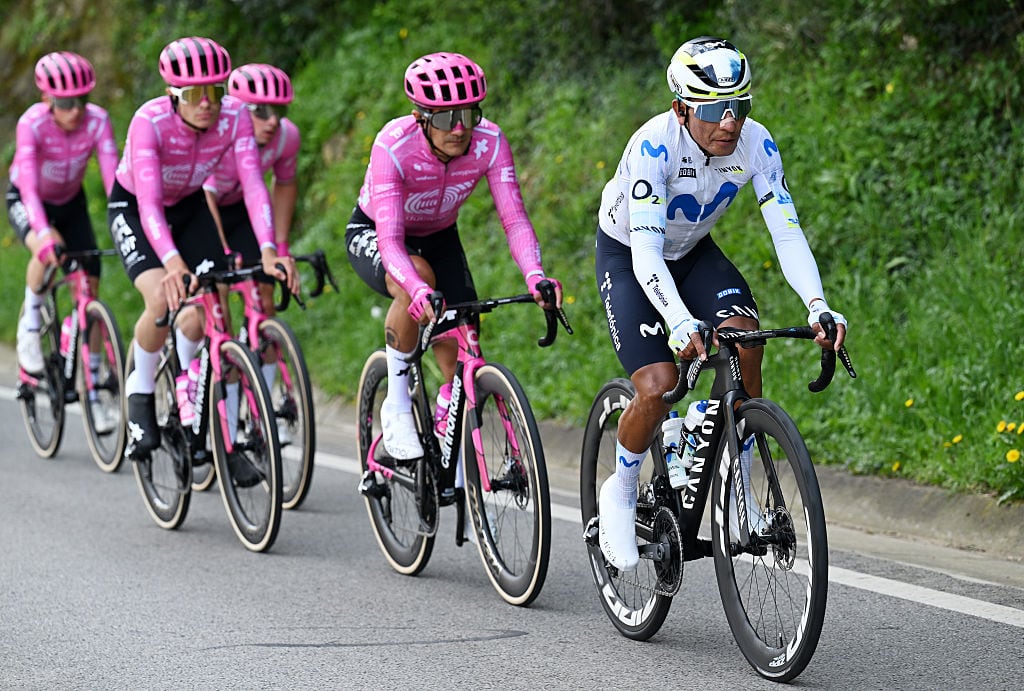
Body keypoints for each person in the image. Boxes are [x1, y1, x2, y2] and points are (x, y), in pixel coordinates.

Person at [594, 36, 848, 571]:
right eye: (714, 109)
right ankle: (620, 488)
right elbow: (645, 253)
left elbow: (787, 231)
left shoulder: (757, 144)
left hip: (691, 250)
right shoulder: (652, 148)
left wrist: (818, 305)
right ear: (681, 109)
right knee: (660, 385)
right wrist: (679, 319)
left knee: (746, 340)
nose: (729, 121)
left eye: (739, 105)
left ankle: (736, 490)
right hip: (630, 253)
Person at [346, 51, 563, 461]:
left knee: (462, 340)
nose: (460, 128)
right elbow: (391, 241)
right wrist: (415, 288)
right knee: (420, 280)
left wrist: (536, 276)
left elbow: (514, 219)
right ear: (420, 117)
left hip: (441, 234)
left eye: (469, 113)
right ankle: (395, 404)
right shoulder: (393, 146)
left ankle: (455, 457)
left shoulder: (490, 142)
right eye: (446, 118)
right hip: (378, 233)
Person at [108, 36, 297, 481]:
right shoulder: (149, 122)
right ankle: (138, 396)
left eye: (215, 92)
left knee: (211, 315)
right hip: (137, 209)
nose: (208, 104)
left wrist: (270, 250)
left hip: (190, 206)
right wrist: (173, 264)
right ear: (173, 95)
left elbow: (254, 185)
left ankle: (209, 425)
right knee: (161, 297)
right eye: (195, 95)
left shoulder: (234, 117)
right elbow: (151, 205)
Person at [7, 51, 119, 432]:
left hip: (70, 203)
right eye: (65, 103)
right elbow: (30, 193)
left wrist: (127, 225)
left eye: (82, 101)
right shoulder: (32, 125)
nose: (76, 111)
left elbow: (112, 182)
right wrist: (44, 235)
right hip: (29, 199)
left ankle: (94, 389)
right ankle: (31, 324)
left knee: (91, 285)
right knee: (48, 245)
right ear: (46, 100)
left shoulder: (98, 121)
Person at [203, 62, 300, 443]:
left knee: (264, 297)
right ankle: (220, 413)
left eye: (278, 110)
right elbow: (205, 195)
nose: (272, 120)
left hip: (246, 210)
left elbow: (284, 186)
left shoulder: (285, 138)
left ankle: (263, 413)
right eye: (260, 111)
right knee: (218, 303)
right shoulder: (217, 133)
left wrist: (279, 245)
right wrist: (222, 252)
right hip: (205, 207)